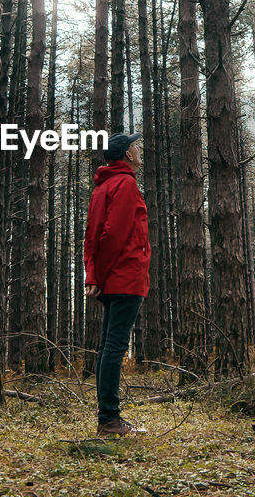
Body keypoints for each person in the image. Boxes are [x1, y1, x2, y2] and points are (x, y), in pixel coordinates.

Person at [83, 132, 150, 436]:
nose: (138, 151)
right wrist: (101, 275)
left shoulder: (102, 187)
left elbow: (91, 238)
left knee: (106, 348)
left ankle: (108, 417)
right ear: (126, 155)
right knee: (114, 348)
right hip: (125, 277)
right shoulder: (124, 184)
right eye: (135, 147)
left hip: (111, 278)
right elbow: (112, 236)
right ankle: (109, 419)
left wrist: (93, 276)